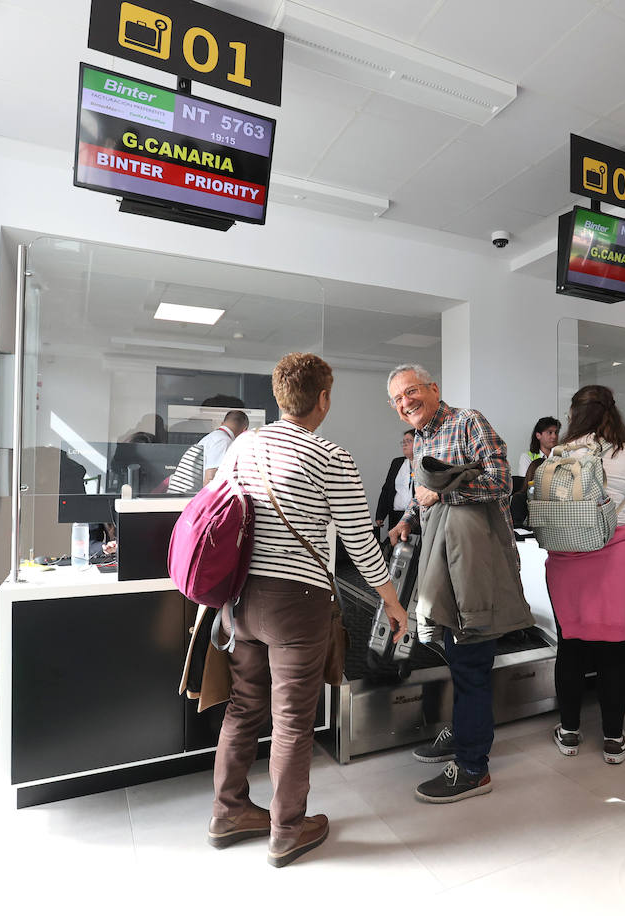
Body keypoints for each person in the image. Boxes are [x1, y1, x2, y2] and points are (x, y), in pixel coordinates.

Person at [208, 354, 407, 868]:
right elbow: (361, 545)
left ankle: (228, 812)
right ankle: (287, 829)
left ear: (279, 397)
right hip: (295, 605)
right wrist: (392, 601)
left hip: (237, 601)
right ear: (323, 399)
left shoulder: (242, 446)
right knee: (293, 720)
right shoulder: (331, 456)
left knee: (244, 707)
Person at [387, 363, 523, 803]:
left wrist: (444, 493)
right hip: (441, 564)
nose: (405, 403)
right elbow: (421, 496)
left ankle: (472, 766)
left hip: (477, 567)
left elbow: (503, 484)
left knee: (470, 660)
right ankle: (465, 733)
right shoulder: (421, 439)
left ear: (433, 388)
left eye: (411, 392)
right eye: (397, 400)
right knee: (456, 656)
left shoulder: (468, 421)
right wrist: (407, 520)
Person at [544, 385, 625, 763]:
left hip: (566, 556)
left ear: (574, 414)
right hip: (615, 556)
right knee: (613, 650)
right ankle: (613, 740)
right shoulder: (624, 453)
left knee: (570, 646)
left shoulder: (559, 453)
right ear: (612, 412)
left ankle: (569, 733)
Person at [167, 409, 249, 494]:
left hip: (180, 496)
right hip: (186, 499)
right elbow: (211, 478)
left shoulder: (212, 437)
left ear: (222, 423)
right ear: (244, 430)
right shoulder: (223, 441)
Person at [374, 429, 417, 535]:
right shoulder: (397, 463)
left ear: (419, 442)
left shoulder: (424, 464)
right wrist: (380, 514)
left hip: (416, 517)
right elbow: (387, 489)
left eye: (409, 441)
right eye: (403, 442)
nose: (404, 444)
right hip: (396, 515)